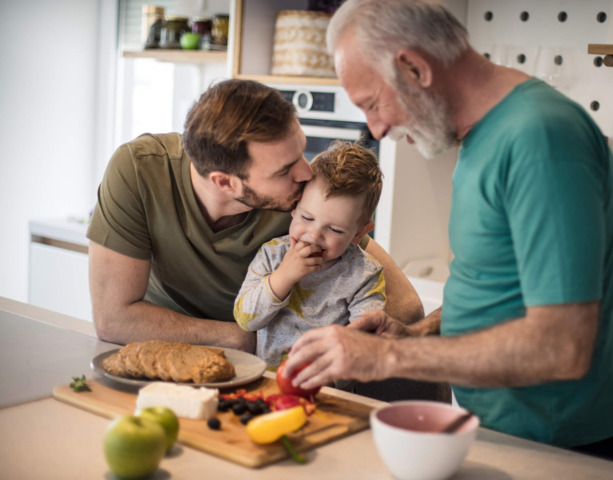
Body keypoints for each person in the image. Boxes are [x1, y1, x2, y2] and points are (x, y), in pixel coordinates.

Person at [284, 0, 613, 462]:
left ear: (414, 67)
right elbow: (496, 287)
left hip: (554, 439)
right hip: (499, 424)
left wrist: (387, 360)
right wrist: (417, 334)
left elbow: (563, 347)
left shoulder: (539, 138)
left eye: (372, 104)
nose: (377, 128)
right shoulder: (483, 135)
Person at [86, 79, 423, 352]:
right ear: (225, 182)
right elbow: (113, 320)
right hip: (164, 351)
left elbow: (406, 306)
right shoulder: (139, 170)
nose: (306, 173)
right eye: (285, 169)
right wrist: (244, 339)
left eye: (302, 152)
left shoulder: (303, 208)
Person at [233, 140, 385, 368]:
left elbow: (365, 343)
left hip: (327, 384)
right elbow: (246, 320)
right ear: (294, 208)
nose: (313, 236)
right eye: (307, 218)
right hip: (267, 379)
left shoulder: (365, 275)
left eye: (334, 229)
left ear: (359, 233)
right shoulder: (272, 254)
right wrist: (284, 276)